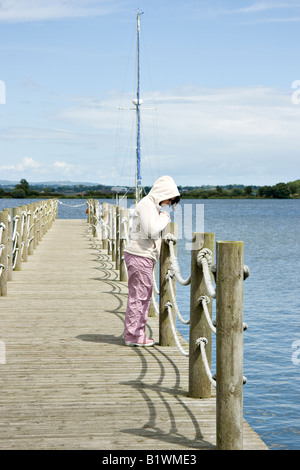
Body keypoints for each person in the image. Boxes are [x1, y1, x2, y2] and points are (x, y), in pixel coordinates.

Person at [123, 175, 180, 347]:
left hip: (142, 256)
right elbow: (150, 230)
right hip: (140, 256)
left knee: (142, 296)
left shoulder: (149, 205)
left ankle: (136, 334)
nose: (169, 204)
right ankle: (133, 336)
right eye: (170, 200)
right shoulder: (147, 205)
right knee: (139, 297)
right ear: (164, 194)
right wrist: (164, 218)